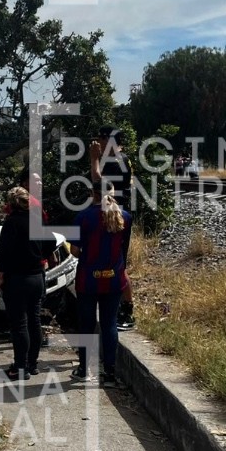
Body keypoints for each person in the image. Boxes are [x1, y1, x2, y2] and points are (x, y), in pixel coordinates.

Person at [68, 185, 131, 387]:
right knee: (109, 324)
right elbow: (124, 249)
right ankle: (110, 374)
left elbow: (75, 252)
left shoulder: (83, 217)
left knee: (86, 325)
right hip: (114, 279)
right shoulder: (125, 217)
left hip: (88, 279)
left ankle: (84, 369)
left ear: (92, 194)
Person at [0, 186, 54, 380]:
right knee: (34, 321)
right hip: (36, 277)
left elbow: (2, 254)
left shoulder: (11, 223)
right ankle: (32, 363)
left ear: (11, 204)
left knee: (19, 324)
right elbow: (51, 243)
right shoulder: (37, 220)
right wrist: (39, 255)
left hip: (17, 279)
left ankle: (20, 367)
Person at [89, 126, 136, 330]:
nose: (97, 143)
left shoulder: (116, 161)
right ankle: (119, 307)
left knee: (119, 264)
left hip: (116, 217)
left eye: (100, 138)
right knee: (114, 262)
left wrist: (94, 159)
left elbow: (100, 185)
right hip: (113, 215)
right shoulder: (116, 159)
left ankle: (127, 310)